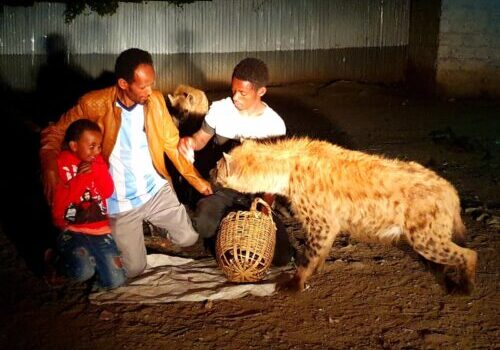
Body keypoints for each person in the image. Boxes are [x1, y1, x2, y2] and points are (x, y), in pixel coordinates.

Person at [40, 48, 212, 279]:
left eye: (152, 83)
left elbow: (171, 143)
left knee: (189, 238)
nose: (150, 91)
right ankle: (76, 249)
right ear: (123, 83)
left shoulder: (156, 102)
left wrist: (196, 180)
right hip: (120, 203)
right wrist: (50, 169)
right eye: (143, 86)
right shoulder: (94, 104)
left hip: (155, 191)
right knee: (133, 270)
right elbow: (54, 133)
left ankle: (151, 225)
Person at [177, 57, 294, 266]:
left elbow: (275, 175)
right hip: (223, 188)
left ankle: (234, 227)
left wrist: (265, 205)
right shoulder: (220, 110)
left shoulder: (274, 124)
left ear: (261, 92)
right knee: (203, 224)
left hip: (254, 193)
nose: (236, 97)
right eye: (233, 90)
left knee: (281, 257)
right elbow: (200, 140)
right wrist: (188, 141)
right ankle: (226, 228)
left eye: (243, 93)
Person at [49, 119, 125, 289]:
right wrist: (81, 179)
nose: (97, 150)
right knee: (83, 271)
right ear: (74, 146)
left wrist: (97, 167)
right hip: (72, 229)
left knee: (116, 282)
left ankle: (96, 266)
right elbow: (60, 205)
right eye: (92, 146)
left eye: (99, 146)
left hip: (99, 229)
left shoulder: (97, 162)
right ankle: (55, 261)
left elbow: (107, 191)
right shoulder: (61, 163)